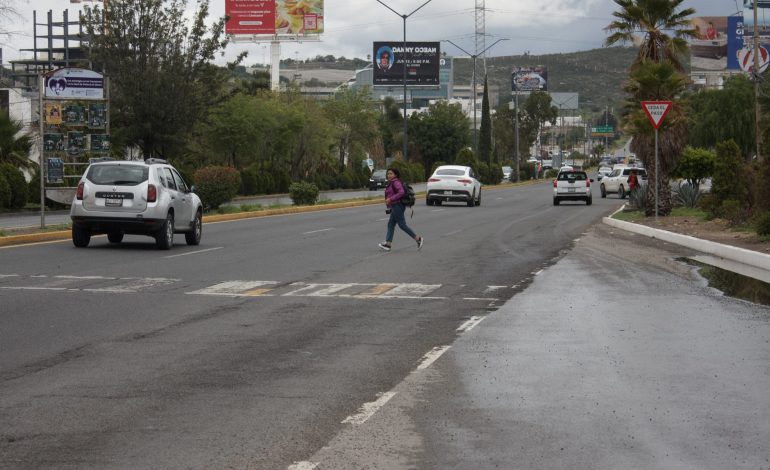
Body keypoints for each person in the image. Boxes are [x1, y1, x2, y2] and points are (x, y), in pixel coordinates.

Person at [378, 167, 423, 252]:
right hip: (395, 206)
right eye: (388, 173)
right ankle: (388, 244)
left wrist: (391, 199)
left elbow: (401, 192)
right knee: (391, 224)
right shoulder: (392, 183)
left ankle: (418, 238)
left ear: (395, 175)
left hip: (397, 206)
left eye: (391, 173)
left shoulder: (396, 182)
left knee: (402, 225)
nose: (389, 175)